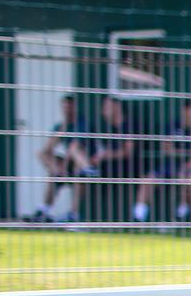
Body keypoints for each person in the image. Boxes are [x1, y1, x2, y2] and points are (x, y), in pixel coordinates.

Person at [87, 95, 154, 224]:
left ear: (117, 107)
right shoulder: (105, 128)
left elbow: (127, 152)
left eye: (106, 107)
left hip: (131, 168)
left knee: (149, 177)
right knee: (82, 175)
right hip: (107, 170)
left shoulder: (130, 125)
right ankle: (81, 219)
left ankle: (138, 219)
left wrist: (105, 155)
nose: (103, 111)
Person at [30, 94, 95, 224]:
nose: (67, 110)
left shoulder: (82, 123)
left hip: (86, 162)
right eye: (64, 107)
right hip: (67, 166)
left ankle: (73, 214)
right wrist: (63, 128)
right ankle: (44, 210)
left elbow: (75, 147)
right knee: (42, 156)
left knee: (77, 167)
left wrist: (64, 167)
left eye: (70, 106)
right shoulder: (61, 126)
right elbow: (47, 150)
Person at [155, 99, 191, 222]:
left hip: (190, 168)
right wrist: (187, 153)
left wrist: (186, 166)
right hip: (169, 166)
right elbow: (166, 148)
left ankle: (181, 216)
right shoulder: (173, 126)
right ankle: (138, 217)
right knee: (148, 179)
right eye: (190, 111)